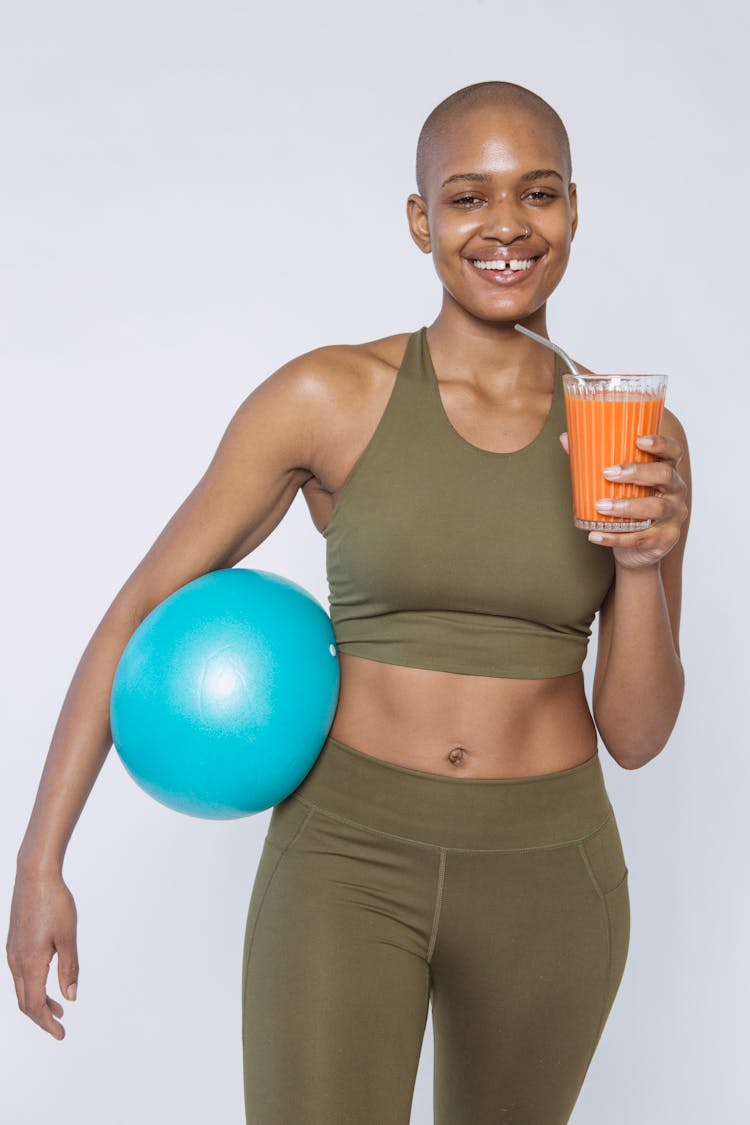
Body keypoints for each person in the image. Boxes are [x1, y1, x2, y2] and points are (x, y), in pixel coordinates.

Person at [7, 80, 690, 1124]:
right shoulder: (331, 398)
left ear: (573, 210)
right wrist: (40, 860)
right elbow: (135, 612)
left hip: (553, 875)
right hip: (347, 858)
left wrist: (641, 566)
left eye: (537, 194)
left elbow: (636, 737)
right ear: (421, 221)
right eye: (468, 199)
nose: (506, 225)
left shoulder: (636, 434)